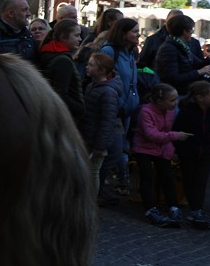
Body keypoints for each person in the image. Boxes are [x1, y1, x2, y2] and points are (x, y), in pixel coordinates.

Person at [132, 83, 190, 228]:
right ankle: (150, 208)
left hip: (162, 147)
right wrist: (175, 136)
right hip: (144, 148)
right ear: (159, 101)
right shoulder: (146, 112)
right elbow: (151, 134)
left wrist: (171, 149)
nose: (175, 103)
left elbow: (166, 130)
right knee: (147, 177)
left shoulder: (169, 111)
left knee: (167, 176)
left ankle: (172, 205)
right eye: (172, 100)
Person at [100, 18, 143, 194]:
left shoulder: (131, 53)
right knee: (112, 153)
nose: (138, 34)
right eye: (134, 31)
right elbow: (101, 79)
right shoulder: (109, 51)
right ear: (123, 33)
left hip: (127, 111)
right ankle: (97, 190)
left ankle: (109, 186)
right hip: (114, 111)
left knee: (118, 152)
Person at [172, 80, 210, 229]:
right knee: (189, 180)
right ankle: (194, 208)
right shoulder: (187, 112)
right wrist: (177, 150)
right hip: (188, 153)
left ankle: (197, 209)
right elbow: (178, 131)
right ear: (200, 97)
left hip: (205, 154)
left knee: (201, 181)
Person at [79, 53, 120, 203]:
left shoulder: (108, 92)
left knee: (93, 171)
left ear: (102, 70)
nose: (87, 67)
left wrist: (99, 145)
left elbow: (107, 121)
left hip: (97, 141)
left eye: (91, 64)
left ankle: (90, 202)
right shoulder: (92, 85)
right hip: (89, 136)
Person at [35, 19, 85, 124]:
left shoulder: (48, 52)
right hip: (64, 118)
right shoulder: (62, 60)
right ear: (63, 37)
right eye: (76, 35)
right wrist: (80, 108)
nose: (80, 39)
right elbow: (61, 93)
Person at [155, 15, 210, 94]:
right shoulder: (169, 48)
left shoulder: (182, 46)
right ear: (185, 31)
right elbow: (173, 78)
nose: (192, 32)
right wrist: (199, 72)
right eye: (191, 29)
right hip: (174, 95)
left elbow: (198, 64)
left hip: (186, 91)